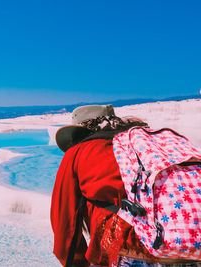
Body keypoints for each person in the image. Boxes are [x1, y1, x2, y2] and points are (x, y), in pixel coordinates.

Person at [50, 104, 201, 267]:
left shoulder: (79, 152)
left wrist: (76, 263)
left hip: (131, 253)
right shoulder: (146, 145)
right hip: (190, 249)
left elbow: (65, 220)